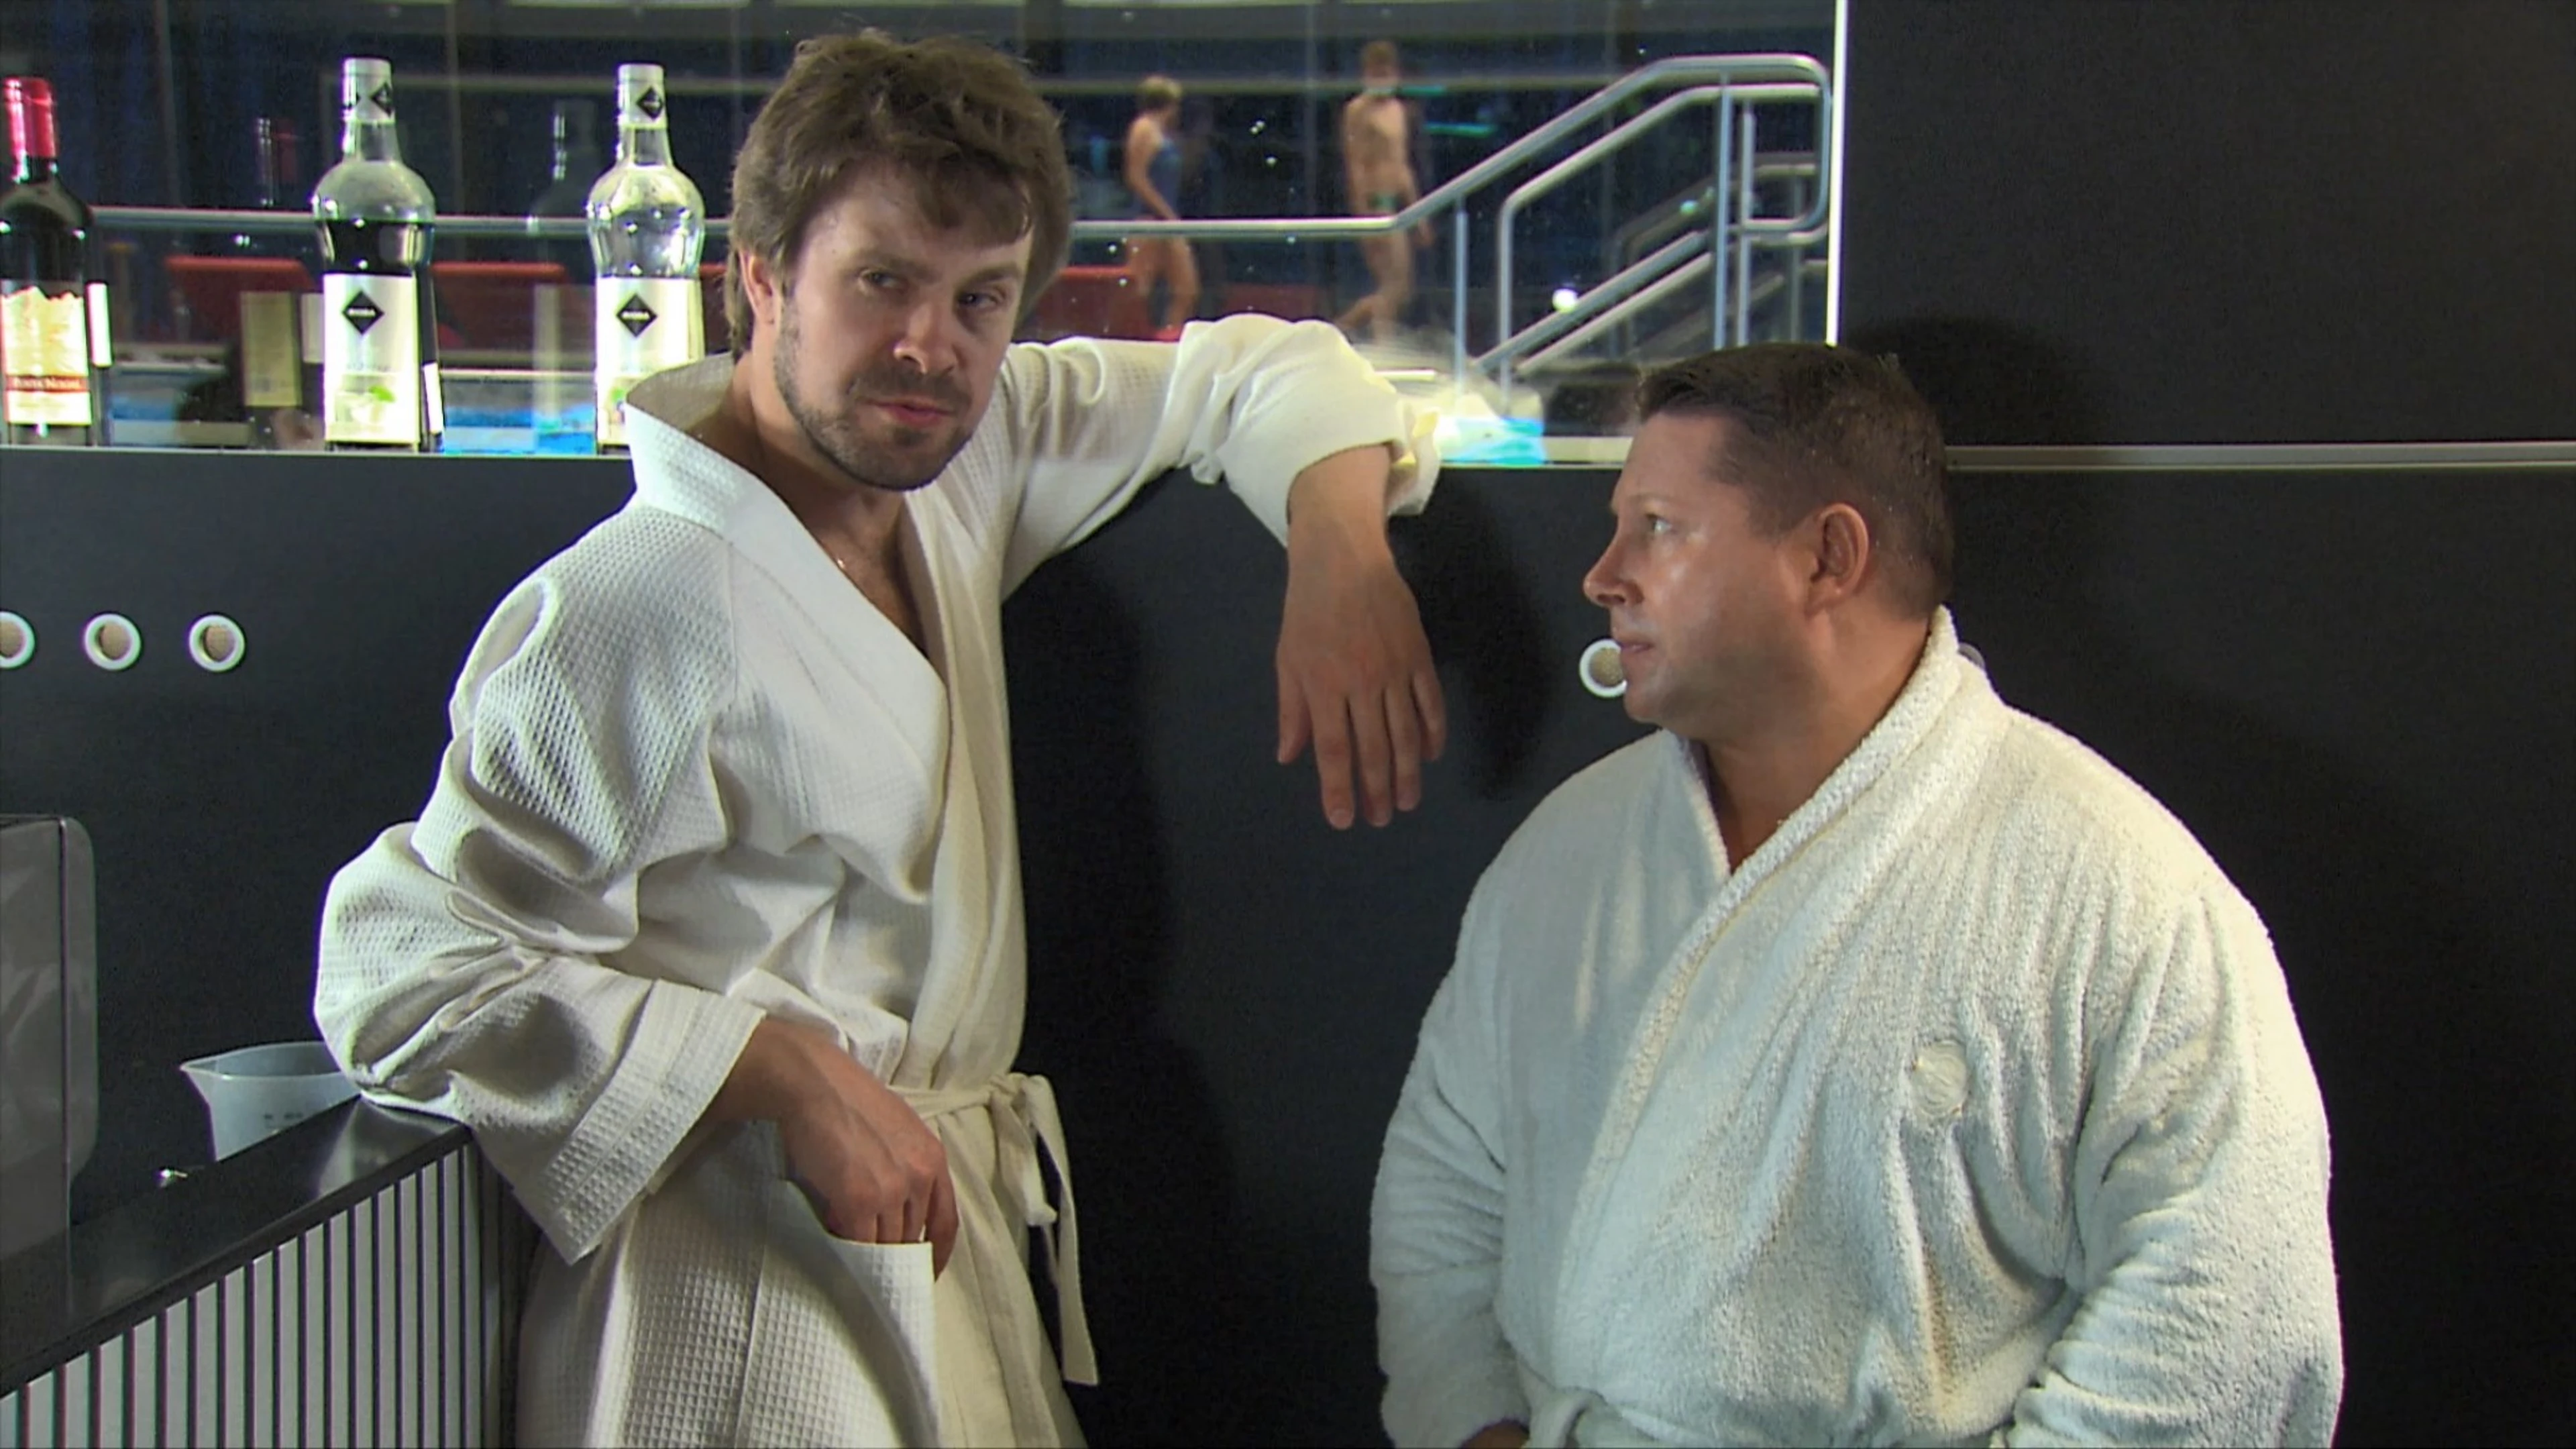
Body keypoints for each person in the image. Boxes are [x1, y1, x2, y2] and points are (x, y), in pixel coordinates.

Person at [315, 29, 1449, 1448]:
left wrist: (1340, 552)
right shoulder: (634, 607)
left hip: (932, 1233)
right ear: (760, 276)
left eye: (982, 298)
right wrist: (776, 1072)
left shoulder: (953, 468)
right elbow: (399, 977)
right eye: (881, 282)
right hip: (725, 1290)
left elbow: (1259, 371)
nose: (931, 345)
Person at [1370, 344, 2341, 1448]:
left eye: (1660, 528)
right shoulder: (1567, 853)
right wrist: (1479, 1427)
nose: (1603, 576)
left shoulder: (2120, 896)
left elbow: (2225, 1313)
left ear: (1827, 558)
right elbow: (1444, 1177)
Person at [1336, 40, 1433, 343]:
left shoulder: (1398, 110)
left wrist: (1418, 216)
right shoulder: (1357, 111)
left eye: (1387, 71)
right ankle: (1381, 342)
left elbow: (1403, 167)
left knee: (1402, 288)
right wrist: (1363, 217)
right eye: (1376, 72)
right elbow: (1355, 165)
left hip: (1398, 205)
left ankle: (1340, 329)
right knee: (1393, 286)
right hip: (1375, 204)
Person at [1121, 74, 1197, 334]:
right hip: (1150, 220)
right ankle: (1134, 340)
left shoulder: (1164, 133)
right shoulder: (1143, 128)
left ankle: (1169, 338)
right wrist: (1166, 213)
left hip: (1167, 221)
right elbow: (1136, 177)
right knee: (1140, 291)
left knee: (1186, 288)